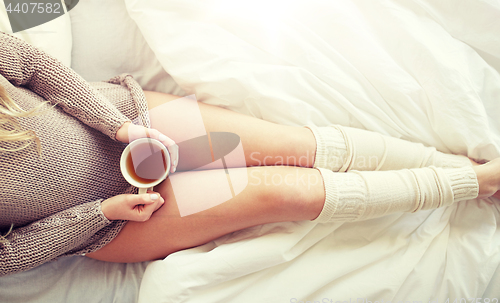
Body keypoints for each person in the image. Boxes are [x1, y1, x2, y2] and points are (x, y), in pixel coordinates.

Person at [1, 31, 499, 276]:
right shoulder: (106, 216)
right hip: (116, 220)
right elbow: (7, 254)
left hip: (137, 126)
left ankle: (468, 171)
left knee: (297, 149)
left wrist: (120, 125)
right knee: (289, 192)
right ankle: (474, 183)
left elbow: (34, 65)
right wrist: (102, 211)